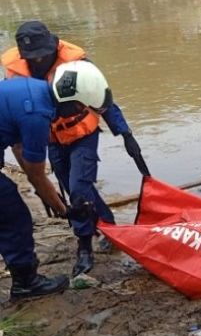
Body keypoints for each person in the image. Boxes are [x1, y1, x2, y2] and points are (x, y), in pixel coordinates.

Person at [1, 21, 148, 277]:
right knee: (73, 187)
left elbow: (103, 98)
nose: (37, 60)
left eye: (42, 54)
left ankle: (84, 245)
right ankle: (108, 226)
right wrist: (46, 192)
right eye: (31, 57)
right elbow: (17, 130)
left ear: (53, 46)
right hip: (49, 136)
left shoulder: (78, 64)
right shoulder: (16, 71)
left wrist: (125, 133)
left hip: (82, 134)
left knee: (79, 188)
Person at [0, 62, 110, 299]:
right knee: (13, 217)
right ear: (69, 101)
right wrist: (64, 209)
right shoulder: (37, 114)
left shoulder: (32, 88)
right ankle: (26, 284)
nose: (79, 113)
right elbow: (36, 173)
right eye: (80, 107)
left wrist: (48, 196)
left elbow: (19, 147)